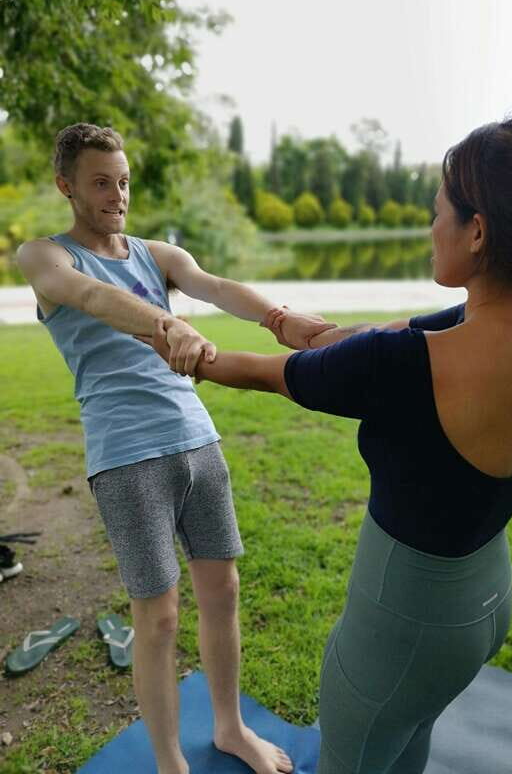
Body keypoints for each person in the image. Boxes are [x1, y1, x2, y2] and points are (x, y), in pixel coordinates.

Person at [141, 116, 512, 774]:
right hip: (482, 597)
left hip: (404, 622)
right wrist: (287, 321)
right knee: (410, 736)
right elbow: (371, 336)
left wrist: (183, 345)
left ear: (477, 231)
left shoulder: (410, 363)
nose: (430, 227)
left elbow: (265, 374)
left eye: (438, 212)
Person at [16, 122, 336, 774]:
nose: (117, 195)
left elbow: (214, 285)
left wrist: (280, 320)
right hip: (126, 455)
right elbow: (90, 296)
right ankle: (169, 762)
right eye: (100, 183)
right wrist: (166, 322)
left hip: (197, 439)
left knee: (223, 591)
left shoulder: (155, 253)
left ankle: (230, 729)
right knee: (158, 618)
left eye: (123, 181)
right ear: (66, 186)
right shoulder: (45, 257)